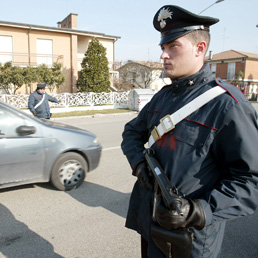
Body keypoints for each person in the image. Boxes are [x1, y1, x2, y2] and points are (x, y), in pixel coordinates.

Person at [121, 5, 258, 258]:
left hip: (188, 238)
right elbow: (131, 133)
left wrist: (200, 210)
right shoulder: (162, 97)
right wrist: (139, 165)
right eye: (163, 47)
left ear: (200, 48)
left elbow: (250, 180)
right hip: (150, 223)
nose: (163, 55)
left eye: (173, 46)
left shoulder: (227, 105)